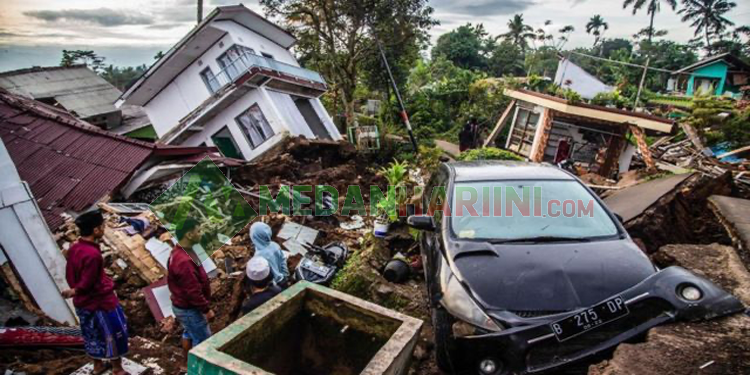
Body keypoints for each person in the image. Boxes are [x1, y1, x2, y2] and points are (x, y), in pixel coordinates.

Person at [62, 210, 129, 375]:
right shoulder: (93, 255)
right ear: (96, 230)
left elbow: (71, 273)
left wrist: (75, 291)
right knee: (112, 333)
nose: (104, 229)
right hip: (100, 302)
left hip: (83, 303)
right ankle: (117, 368)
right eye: (102, 226)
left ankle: (97, 365)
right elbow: (89, 281)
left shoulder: (75, 247)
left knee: (91, 334)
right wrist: (77, 290)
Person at [167, 218, 213, 372]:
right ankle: (197, 370)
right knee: (203, 342)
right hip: (189, 309)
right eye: (198, 231)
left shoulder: (181, 251)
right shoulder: (184, 261)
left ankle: (185, 363)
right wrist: (206, 309)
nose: (201, 234)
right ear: (189, 234)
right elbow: (192, 291)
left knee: (189, 332)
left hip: (183, 307)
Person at [250, 222, 289, 288]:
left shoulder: (258, 257)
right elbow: (283, 261)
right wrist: (286, 275)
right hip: (283, 279)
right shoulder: (274, 245)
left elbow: (265, 276)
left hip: (275, 285)